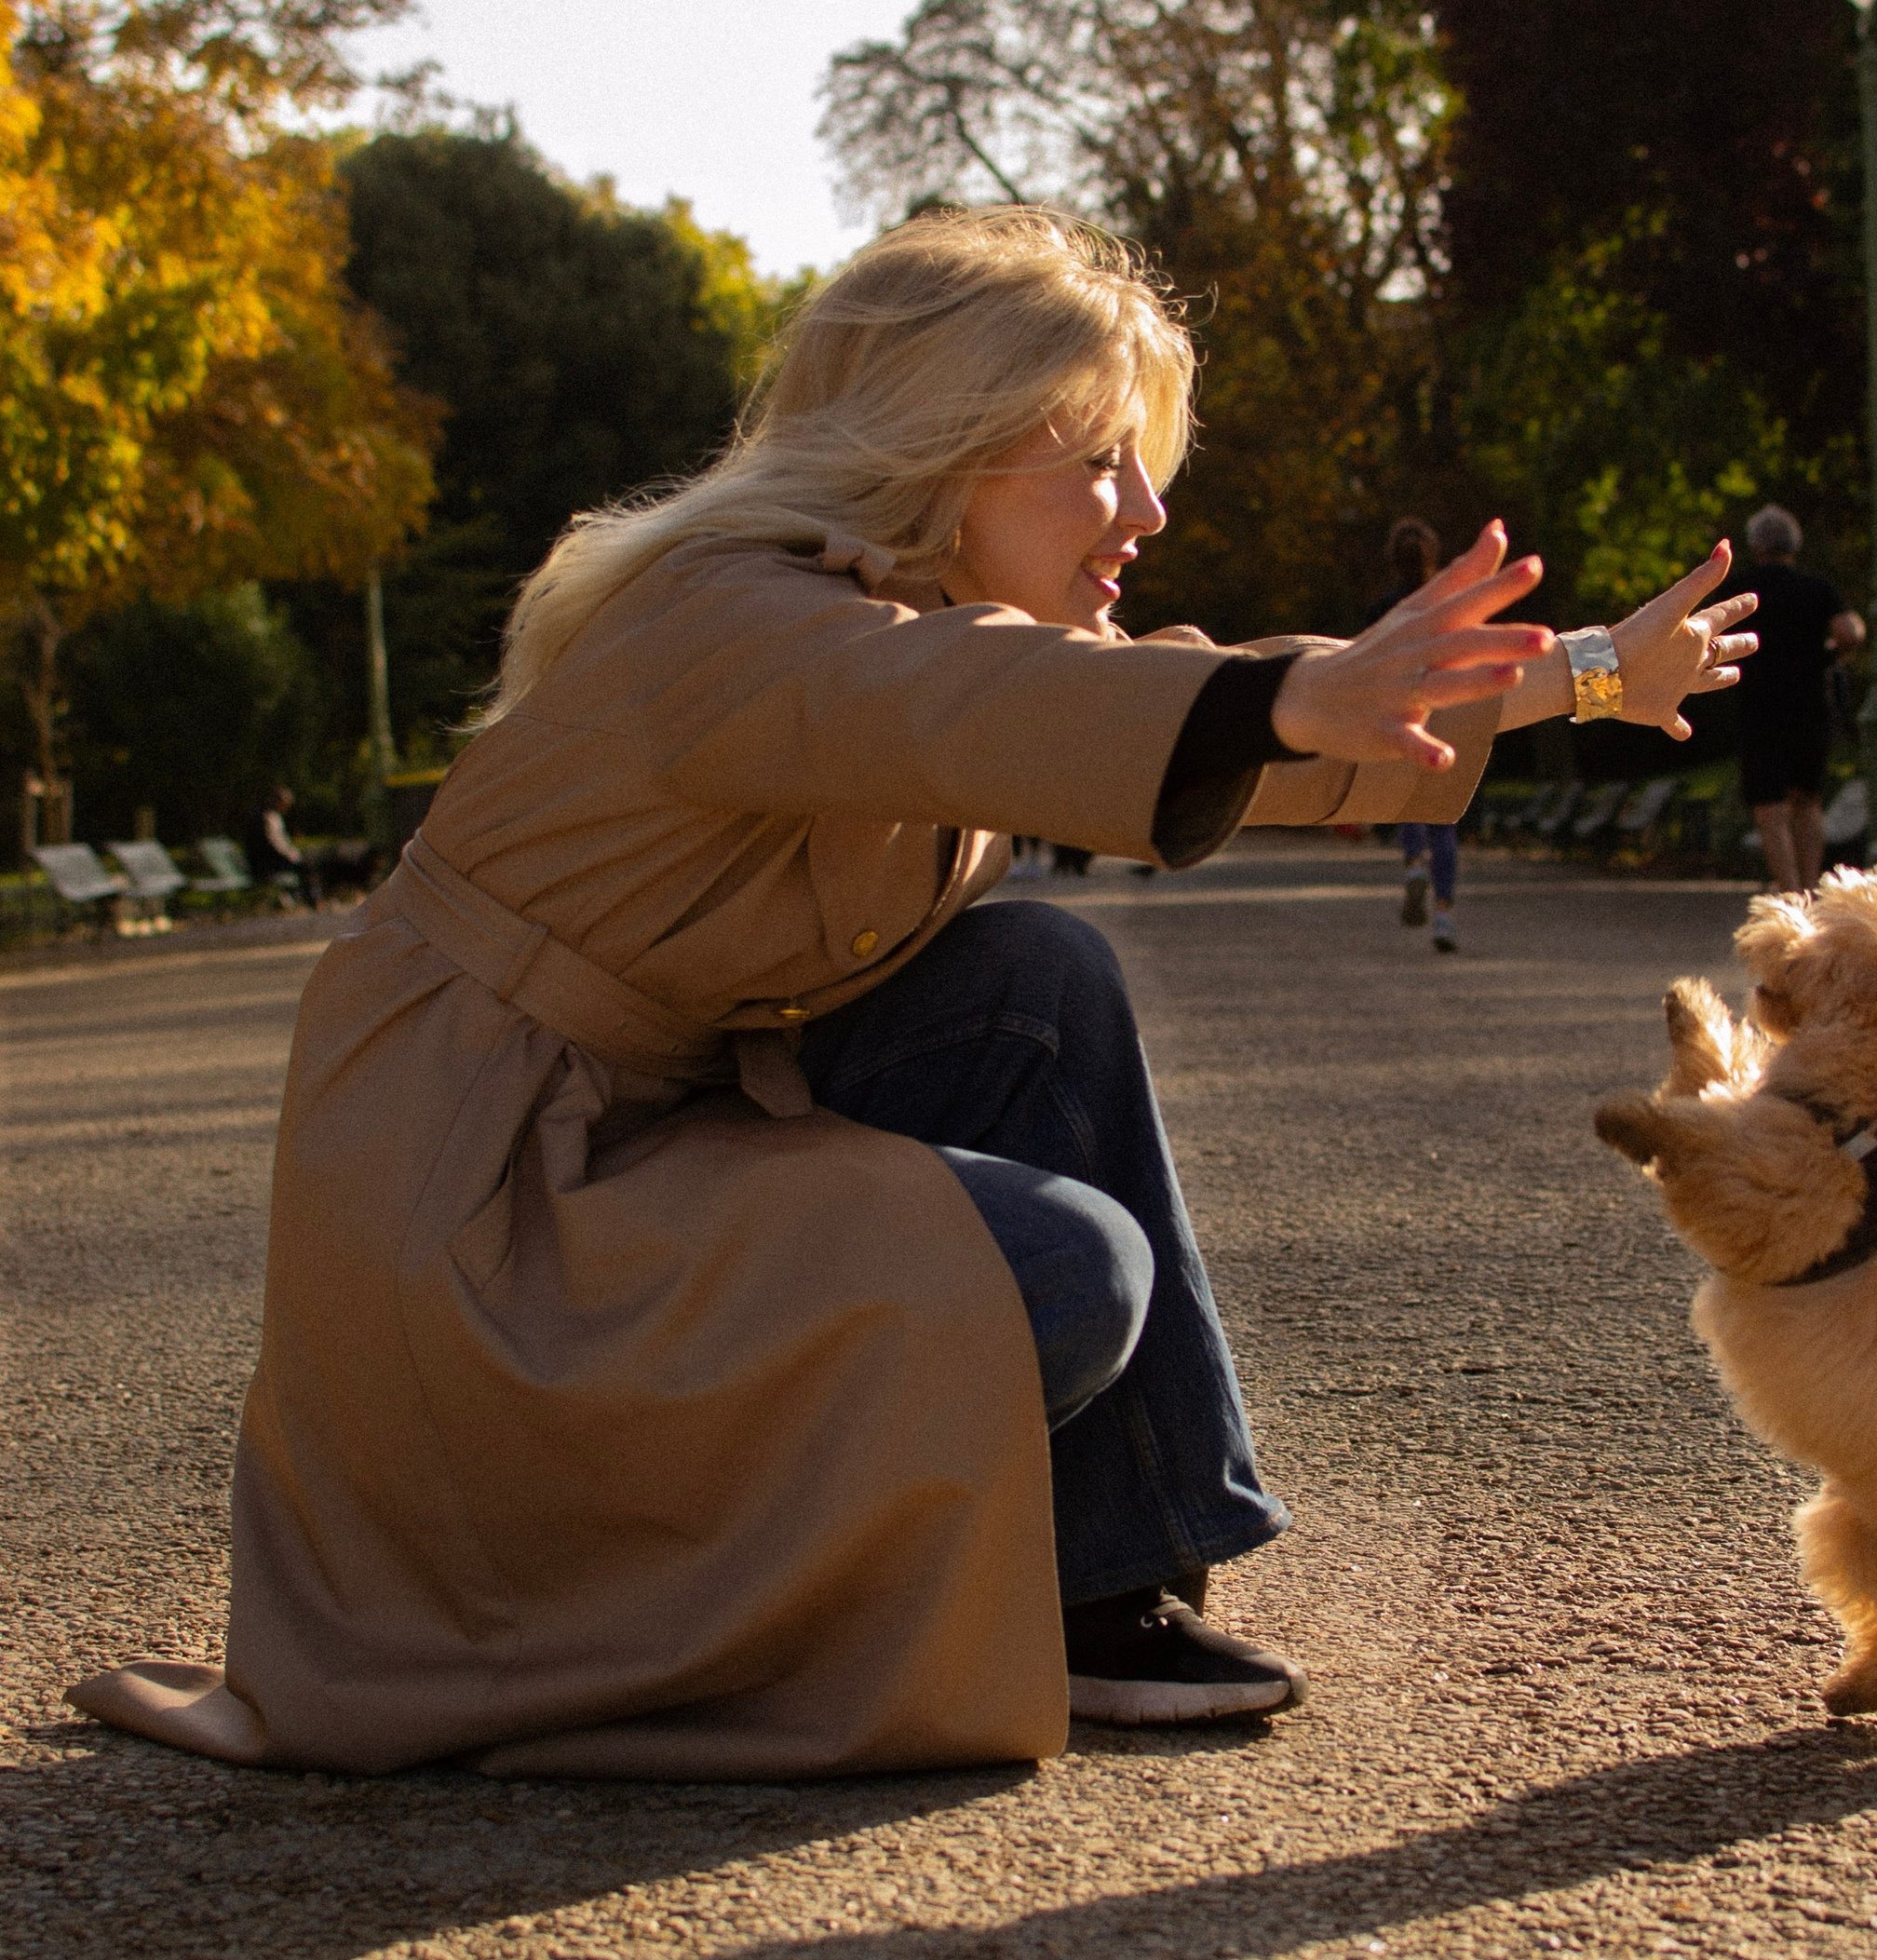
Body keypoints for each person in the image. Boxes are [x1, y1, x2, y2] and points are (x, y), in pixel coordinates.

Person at [73, 209, 1754, 1783]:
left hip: (636, 1115)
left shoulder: (921, 625)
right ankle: (750, 1581)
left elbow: (1194, 713)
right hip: (479, 1200)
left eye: (1143, 467)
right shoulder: (737, 618)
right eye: (1098, 463)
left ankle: (1109, 1579)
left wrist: (1596, 669)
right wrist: (1298, 689)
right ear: (939, 453)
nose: (1145, 512)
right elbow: (982, 698)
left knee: (1030, 972)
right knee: (1055, 1270)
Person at [1725, 505, 1866, 891]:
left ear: (1755, 545)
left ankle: (1790, 894)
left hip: (1758, 704)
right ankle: (1810, 888)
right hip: (1808, 705)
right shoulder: (1818, 588)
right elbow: (1850, 631)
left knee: (1769, 806)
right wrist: (1830, 652)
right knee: (1807, 800)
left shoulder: (1741, 589)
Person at [1371, 519, 1463, 952]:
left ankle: (1412, 862)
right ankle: (1444, 914)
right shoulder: (1449, 606)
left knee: (1409, 799)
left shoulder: (1386, 608)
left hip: (1401, 711)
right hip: (1447, 711)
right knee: (1444, 820)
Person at [244, 785, 322, 910]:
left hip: (264, 861)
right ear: (275, 801)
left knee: (304, 864)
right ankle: (314, 901)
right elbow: (273, 846)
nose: (286, 807)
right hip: (265, 865)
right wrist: (292, 856)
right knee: (306, 865)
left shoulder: (265, 815)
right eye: (285, 803)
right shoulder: (266, 817)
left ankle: (302, 898)